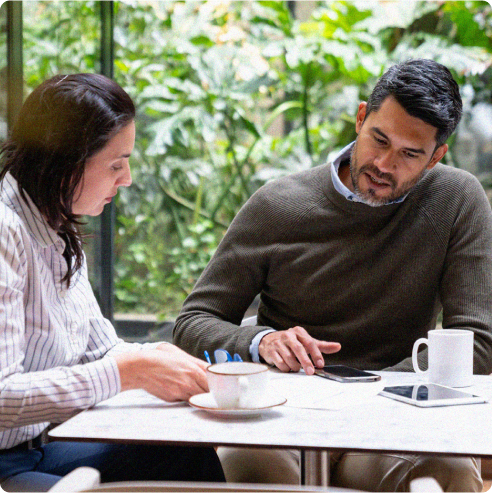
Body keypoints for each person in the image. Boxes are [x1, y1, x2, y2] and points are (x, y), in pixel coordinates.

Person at [174, 58, 492, 493]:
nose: (384, 163)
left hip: (391, 425)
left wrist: (371, 395)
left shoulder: (456, 200)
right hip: (283, 420)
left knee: (452, 474)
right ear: (361, 117)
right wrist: (261, 341)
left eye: (409, 154)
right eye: (378, 139)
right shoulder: (278, 205)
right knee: (245, 467)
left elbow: (478, 340)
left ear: (436, 157)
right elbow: (193, 322)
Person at [0, 73, 225, 493]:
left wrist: (156, 358)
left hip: (36, 446)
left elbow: (100, 349)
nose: (127, 179)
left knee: (186, 451)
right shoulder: (5, 229)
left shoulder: (56, 224)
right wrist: (127, 372)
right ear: (65, 160)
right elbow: (1, 397)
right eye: (116, 164)